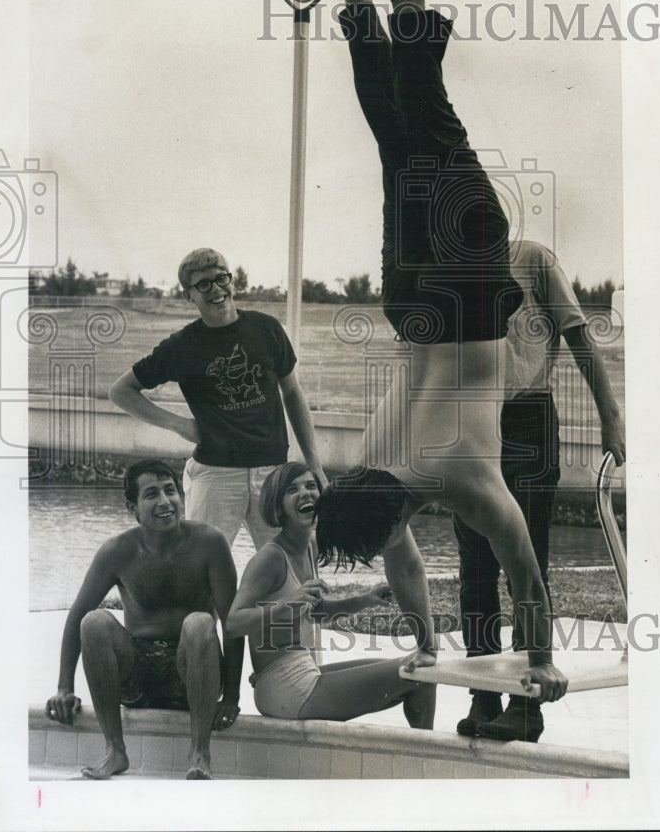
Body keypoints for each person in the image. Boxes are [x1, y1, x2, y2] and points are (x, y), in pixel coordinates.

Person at [313, 0, 568, 704]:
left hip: (462, 306)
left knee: (436, 130)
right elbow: (381, 538)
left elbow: (529, 579)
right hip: (406, 302)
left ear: (394, 520)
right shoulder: (370, 467)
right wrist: (426, 644)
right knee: (401, 143)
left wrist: (543, 663)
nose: (397, 550)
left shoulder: (460, 482)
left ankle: (402, 1)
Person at [454, 239, 626, 742]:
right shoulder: (450, 264)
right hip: (469, 419)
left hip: (527, 417)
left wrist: (610, 417)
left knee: (527, 563)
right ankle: (481, 692)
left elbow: (579, 340)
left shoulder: (533, 259)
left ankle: (528, 703)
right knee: (475, 571)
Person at [109, 247, 327, 548]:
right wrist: (180, 425)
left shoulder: (267, 329)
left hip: (273, 469)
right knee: (201, 565)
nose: (215, 289)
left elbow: (292, 392)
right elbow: (121, 391)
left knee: (292, 563)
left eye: (220, 278)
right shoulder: (181, 346)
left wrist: (314, 464)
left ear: (231, 281)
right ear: (189, 296)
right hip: (215, 473)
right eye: (203, 284)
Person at [44, 458, 244, 780]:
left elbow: (233, 623)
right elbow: (77, 616)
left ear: (182, 496)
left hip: (191, 670)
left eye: (171, 491)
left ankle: (199, 752)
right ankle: (114, 750)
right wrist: (64, 686)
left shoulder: (210, 543)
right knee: (94, 622)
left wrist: (231, 696)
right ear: (133, 506)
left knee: (199, 622)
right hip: (136, 679)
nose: (165, 502)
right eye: (151, 494)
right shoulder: (117, 551)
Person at [226, 462, 435, 728]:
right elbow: (234, 622)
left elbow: (314, 612)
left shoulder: (309, 547)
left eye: (311, 486)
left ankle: (421, 756)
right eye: (292, 489)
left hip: (302, 672)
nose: (306, 493)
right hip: (283, 686)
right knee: (421, 674)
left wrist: (365, 600)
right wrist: (288, 604)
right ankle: (423, 765)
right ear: (277, 507)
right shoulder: (270, 558)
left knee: (416, 667)